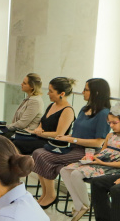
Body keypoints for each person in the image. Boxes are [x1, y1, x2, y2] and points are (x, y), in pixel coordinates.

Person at [31, 78, 111, 209]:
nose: (82, 92)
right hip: (73, 148)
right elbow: (76, 133)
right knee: (38, 152)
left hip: (88, 153)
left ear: (96, 93)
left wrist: (72, 140)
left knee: (45, 157)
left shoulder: (104, 114)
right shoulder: (85, 109)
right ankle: (45, 194)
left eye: (86, 89)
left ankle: (51, 196)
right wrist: (66, 137)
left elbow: (99, 142)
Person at [60, 103, 120, 221]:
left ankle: (85, 205)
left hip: (114, 169)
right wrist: (91, 158)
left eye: (114, 123)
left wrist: (103, 164)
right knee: (64, 170)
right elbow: (102, 153)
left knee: (76, 174)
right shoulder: (110, 135)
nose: (111, 126)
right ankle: (79, 206)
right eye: (110, 123)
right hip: (100, 163)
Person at [13, 76, 77, 155]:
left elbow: (58, 134)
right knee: (13, 138)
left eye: (51, 91)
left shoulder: (67, 111)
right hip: (40, 138)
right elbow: (42, 123)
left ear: (62, 94)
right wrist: (38, 129)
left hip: (52, 144)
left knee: (17, 143)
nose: (48, 93)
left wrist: (39, 133)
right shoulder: (51, 105)